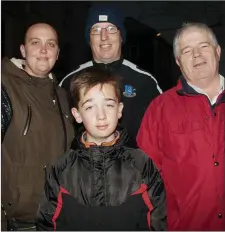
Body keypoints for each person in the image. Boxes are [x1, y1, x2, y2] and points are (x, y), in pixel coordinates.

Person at [36, 67, 167, 231]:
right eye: (90, 107)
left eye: (109, 105)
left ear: (119, 110)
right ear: (77, 115)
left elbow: (158, 222)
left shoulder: (142, 165)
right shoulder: (61, 168)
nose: (101, 115)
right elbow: (46, 224)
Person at [137, 22, 225, 230]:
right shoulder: (160, 109)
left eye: (203, 46)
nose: (196, 54)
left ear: (217, 51)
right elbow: (144, 177)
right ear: (178, 61)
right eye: (187, 50)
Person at [1, 23, 74, 230]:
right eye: (36, 43)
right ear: (23, 50)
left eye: (50, 44)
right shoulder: (4, 86)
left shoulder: (62, 96)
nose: (43, 50)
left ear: (57, 53)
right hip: (17, 222)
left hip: (56, 217)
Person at [59, 4, 162, 146]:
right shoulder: (69, 81)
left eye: (111, 29)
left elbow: (162, 133)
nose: (104, 37)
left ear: (121, 36)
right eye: (96, 30)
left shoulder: (145, 81)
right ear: (89, 39)